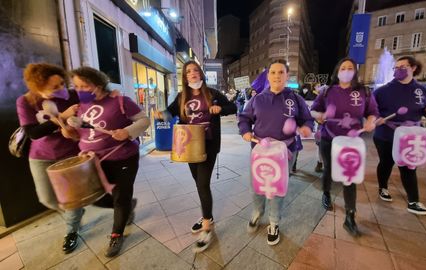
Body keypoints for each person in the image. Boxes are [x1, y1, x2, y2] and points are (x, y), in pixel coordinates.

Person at [154, 60, 236, 252]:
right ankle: (208, 215)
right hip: (189, 145)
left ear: (200, 73)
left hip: (209, 144)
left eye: (195, 70)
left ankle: (207, 226)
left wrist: (220, 109)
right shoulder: (182, 96)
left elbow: (233, 108)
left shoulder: (213, 94)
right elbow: (171, 112)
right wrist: (161, 114)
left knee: (202, 184)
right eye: (188, 71)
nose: (192, 73)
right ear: (185, 76)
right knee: (198, 181)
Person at [68, 67, 150, 257]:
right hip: (92, 161)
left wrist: (127, 132)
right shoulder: (80, 106)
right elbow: (79, 134)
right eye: (77, 86)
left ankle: (116, 234)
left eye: (84, 86)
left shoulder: (120, 101)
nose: (80, 90)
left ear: (97, 85)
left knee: (120, 196)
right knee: (94, 197)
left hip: (123, 157)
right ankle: (128, 206)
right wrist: (70, 129)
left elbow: (144, 121)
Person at [238, 59, 313, 245]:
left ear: (287, 76)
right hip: (260, 150)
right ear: (268, 75)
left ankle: (274, 222)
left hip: (285, 151)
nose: (277, 76)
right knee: (257, 185)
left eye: (281, 72)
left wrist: (306, 128)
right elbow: (244, 118)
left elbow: (308, 119)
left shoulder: (296, 98)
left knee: (278, 189)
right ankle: (257, 212)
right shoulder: (257, 99)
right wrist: (245, 131)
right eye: (273, 72)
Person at [16, 63, 86, 254]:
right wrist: (63, 116)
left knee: (72, 198)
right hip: (40, 156)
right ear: (38, 88)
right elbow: (34, 133)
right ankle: (76, 212)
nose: (61, 89)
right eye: (54, 87)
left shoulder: (72, 95)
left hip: (70, 153)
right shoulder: (26, 102)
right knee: (46, 198)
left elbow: (95, 97)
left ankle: (72, 230)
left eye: (62, 83)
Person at [310, 57, 378, 236]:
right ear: (337, 71)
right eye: (343, 67)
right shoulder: (326, 91)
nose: (347, 70)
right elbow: (313, 110)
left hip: (351, 141)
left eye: (350, 68)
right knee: (329, 169)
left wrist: (371, 121)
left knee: (350, 176)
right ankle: (326, 192)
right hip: (328, 138)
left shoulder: (364, 91)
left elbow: (373, 112)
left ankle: (350, 216)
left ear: (355, 71)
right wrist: (321, 115)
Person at [373, 56, 426, 215]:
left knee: (409, 166)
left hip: (411, 136)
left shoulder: (422, 91)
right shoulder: (382, 91)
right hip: (386, 134)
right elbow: (371, 111)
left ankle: (413, 201)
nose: (398, 70)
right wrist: (375, 118)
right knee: (386, 162)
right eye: (396, 67)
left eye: (403, 66)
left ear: (413, 68)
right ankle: (383, 188)